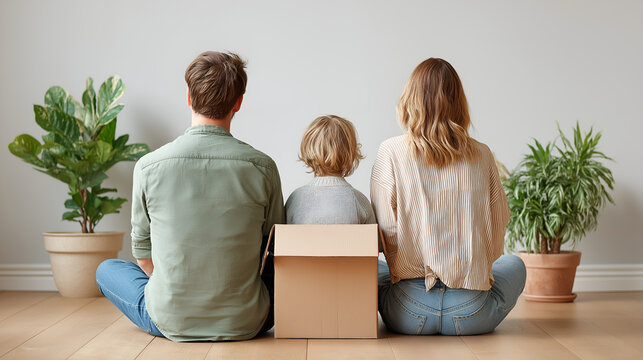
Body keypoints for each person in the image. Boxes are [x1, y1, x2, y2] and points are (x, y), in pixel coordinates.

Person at [95, 51, 284, 341]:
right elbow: (273, 251)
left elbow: (143, 256)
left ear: (188, 97)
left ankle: (177, 306)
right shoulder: (263, 167)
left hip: (169, 319)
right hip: (247, 320)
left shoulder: (148, 166)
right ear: (239, 102)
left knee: (108, 269)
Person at [371, 58, 526, 335]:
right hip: (470, 313)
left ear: (409, 99)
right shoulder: (482, 154)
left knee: (376, 269)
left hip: (408, 313)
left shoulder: (390, 151)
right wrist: (471, 267)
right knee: (515, 264)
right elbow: (497, 227)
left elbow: (386, 235)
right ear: (458, 103)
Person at [285, 115, 375, 225]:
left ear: (307, 149)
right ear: (351, 153)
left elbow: (282, 239)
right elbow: (374, 241)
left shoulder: (294, 199)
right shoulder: (359, 201)